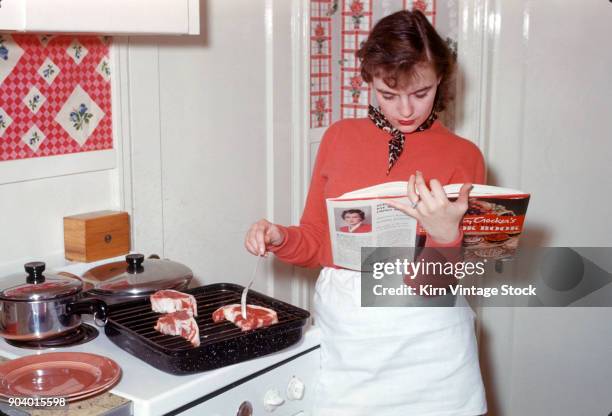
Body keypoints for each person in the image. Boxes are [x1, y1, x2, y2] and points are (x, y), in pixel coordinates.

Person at [245, 10, 486, 416]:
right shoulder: (339, 138)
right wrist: (280, 237)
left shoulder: (466, 156)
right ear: (369, 79)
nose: (405, 110)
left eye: (421, 92)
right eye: (388, 94)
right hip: (349, 342)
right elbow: (318, 242)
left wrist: (445, 235)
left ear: (440, 79)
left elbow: (457, 278)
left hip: (433, 348)